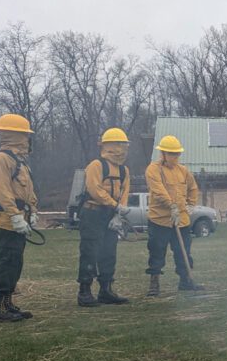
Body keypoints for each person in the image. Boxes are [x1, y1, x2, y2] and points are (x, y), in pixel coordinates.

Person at [0, 114, 39, 322]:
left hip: (18, 218)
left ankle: (7, 303)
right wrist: (15, 215)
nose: (27, 139)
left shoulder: (20, 161)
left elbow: (28, 190)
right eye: (24, 134)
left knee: (14, 263)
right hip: (6, 219)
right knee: (5, 262)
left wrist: (32, 211)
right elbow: (4, 191)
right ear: (15, 134)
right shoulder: (1, 159)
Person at [76, 128, 132, 307]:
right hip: (92, 212)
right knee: (90, 251)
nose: (121, 148)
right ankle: (84, 291)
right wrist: (114, 205)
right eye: (118, 144)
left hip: (110, 213)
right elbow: (95, 190)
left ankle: (106, 290)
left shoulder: (124, 170)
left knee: (109, 251)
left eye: (124, 145)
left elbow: (124, 191)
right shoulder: (96, 165)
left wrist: (119, 212)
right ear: (107, 145)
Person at [144, 135, 202, 296]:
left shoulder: (183, 171)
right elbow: (158, 190)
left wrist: (190, 204)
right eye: (171, 154)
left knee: (184, 252)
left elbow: (192, 188)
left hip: (182, 221)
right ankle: (154, 285)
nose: (175, 157)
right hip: (160, 220)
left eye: (177, 154)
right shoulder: (153, 169)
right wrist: (171, 205)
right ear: (162, 154)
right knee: (157, 252)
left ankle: (186, 281)